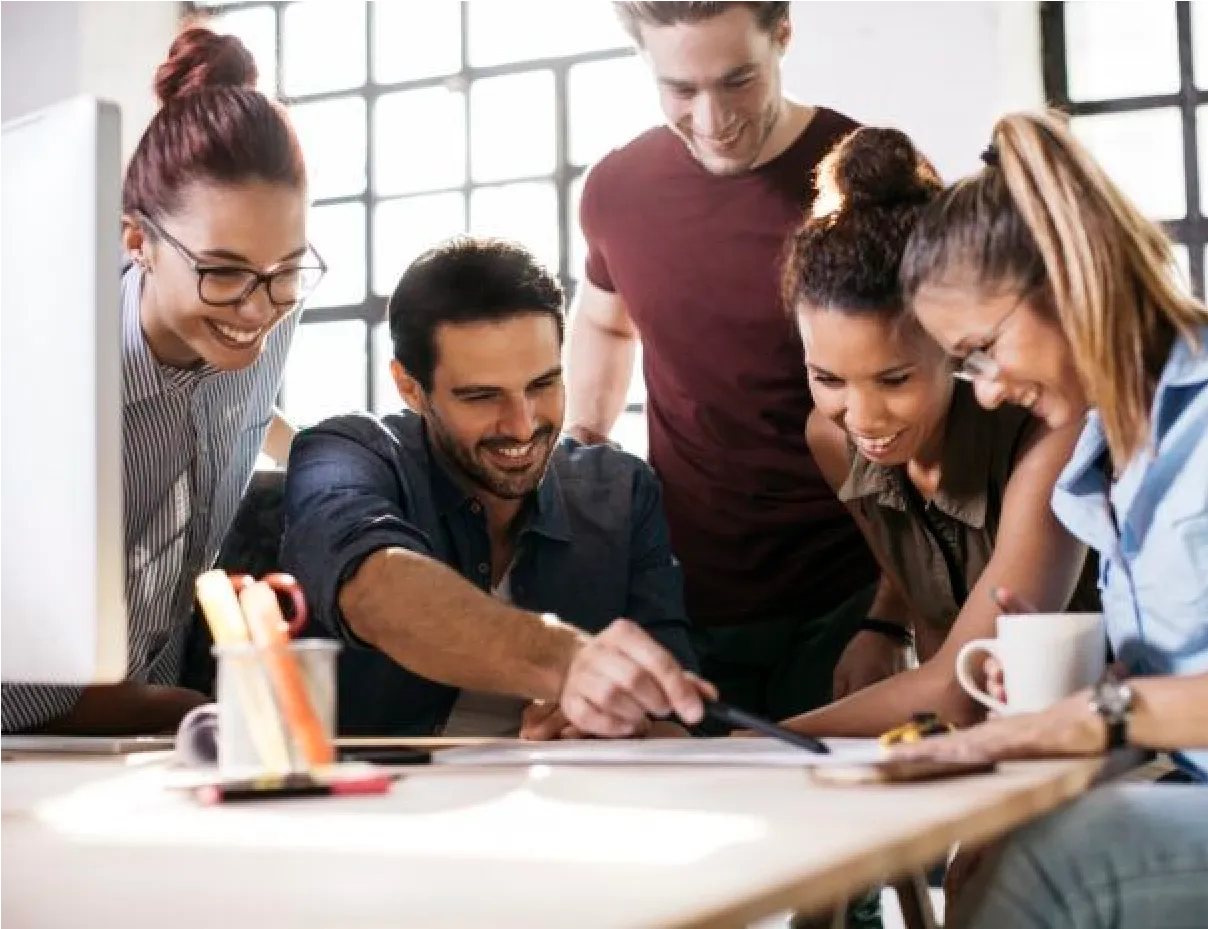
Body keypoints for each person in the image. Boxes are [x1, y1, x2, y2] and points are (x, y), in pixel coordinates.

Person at [884, 111, 1208, 927]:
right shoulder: (1104, 465)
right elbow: (1202, 683)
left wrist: (1099, 713)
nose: (982, 390)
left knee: (1057, 860)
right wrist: (1073, 692)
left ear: (1064, 275)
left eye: (980, 349)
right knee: (988, 842)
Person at [567, 0, 880, 733]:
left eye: (737, 80)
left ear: (783, 35)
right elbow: (605, 320)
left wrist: (894, 613)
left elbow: (923, 396)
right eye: (680, 89)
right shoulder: (615, 190)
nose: (712, 119)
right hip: (685, 592)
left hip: (849, 587)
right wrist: (584, 431)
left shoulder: (863, 172)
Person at [0, 26, 314, 735]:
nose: (257, 308)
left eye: (287, 271)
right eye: (223, 271)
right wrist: (164, 710)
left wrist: (333, 462)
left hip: (155, 714)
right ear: (136, 240)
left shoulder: (261, 313)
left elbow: (238, 407)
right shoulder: (47, 382)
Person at [281, 236, 708, 739]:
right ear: (410, 387)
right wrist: (570, 661)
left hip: (567, 803)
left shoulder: (621, 492)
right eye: (482, 396)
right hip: (375, 805)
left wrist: (629, 722)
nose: (523, 425)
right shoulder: (343, 454)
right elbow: (375, 591)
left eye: (543, 384)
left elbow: (681, 714)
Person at [776, 126, 1096, 738]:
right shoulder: (829, 438)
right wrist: (885, 625)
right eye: (829, 378)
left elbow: (958, 687)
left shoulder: (1047, 439)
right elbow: (925, 598)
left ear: (953, 344)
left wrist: (751, 744)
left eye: (894, 380)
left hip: (1098, 752)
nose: (863, 419)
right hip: (975, 757)